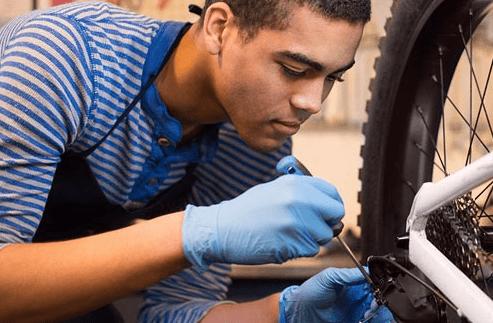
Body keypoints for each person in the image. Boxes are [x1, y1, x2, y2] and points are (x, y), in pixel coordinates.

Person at [0, 0, 393, 322]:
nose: (312, 102)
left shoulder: (251, 145)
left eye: (331, 78)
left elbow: (173, 312)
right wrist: (200, 232)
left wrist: (286, 313)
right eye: (293, 69)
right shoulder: (64, 60)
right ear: (219, 27)